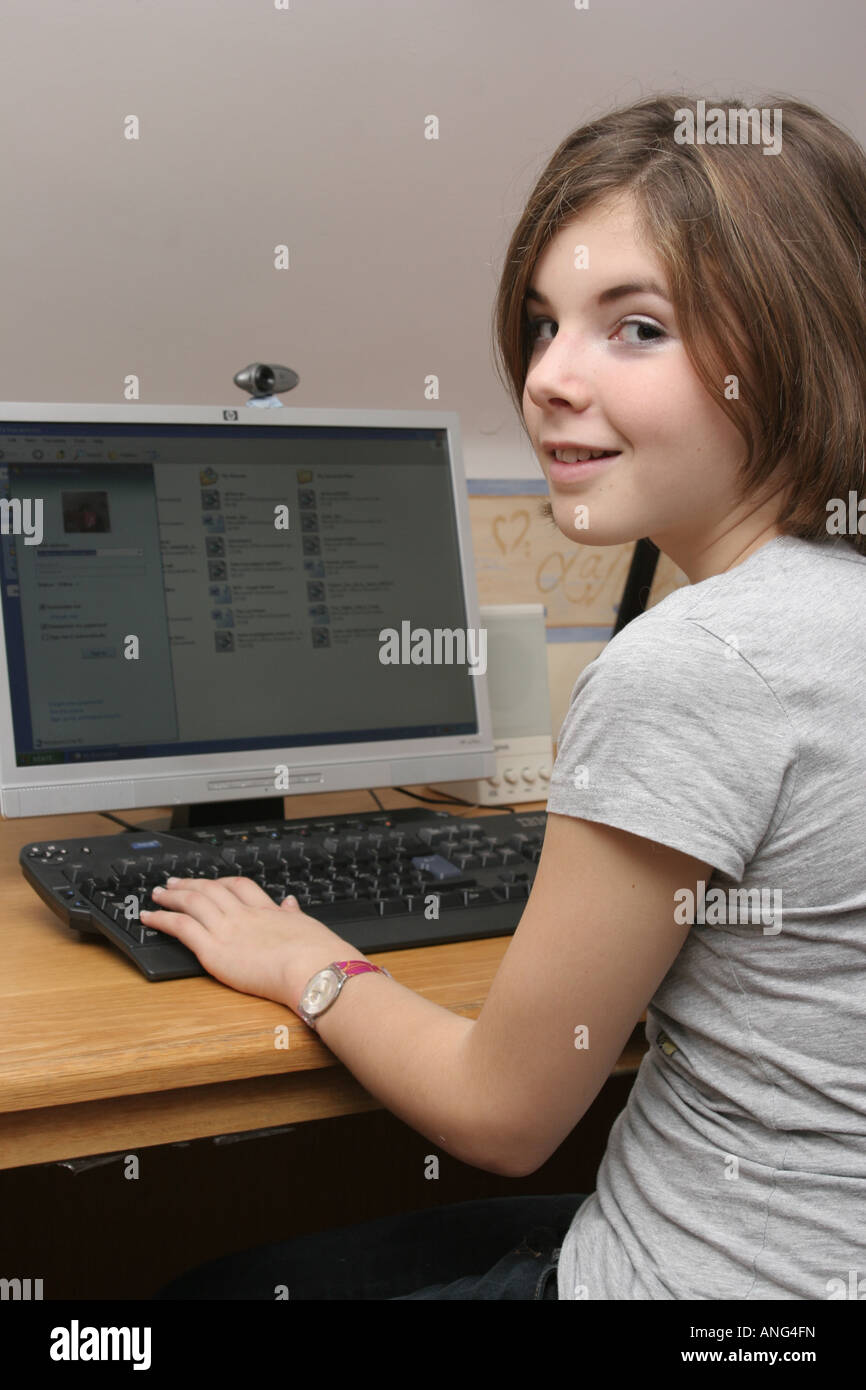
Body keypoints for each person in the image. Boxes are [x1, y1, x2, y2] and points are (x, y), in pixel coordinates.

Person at [151, 91, 866, 1299]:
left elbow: (501, 1115)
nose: (545, 379)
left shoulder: (694, 664)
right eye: (543, 325)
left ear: (793, 345)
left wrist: (304, 960)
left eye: (634, 328)